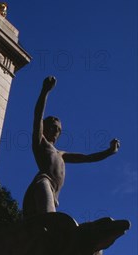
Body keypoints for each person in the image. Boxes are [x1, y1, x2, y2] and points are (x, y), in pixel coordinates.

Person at [23, 76, 120, 217]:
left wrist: (110, 151)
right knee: (51, 221)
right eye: (53, 127)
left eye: (59, 130)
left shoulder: (61, 154)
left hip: (54, 193)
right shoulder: (40, 142)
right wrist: (45, 91)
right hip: (43, 182)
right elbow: (38, 116)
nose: (56, 131)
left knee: (47, 225)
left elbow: (87, 158)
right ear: (45, 128)